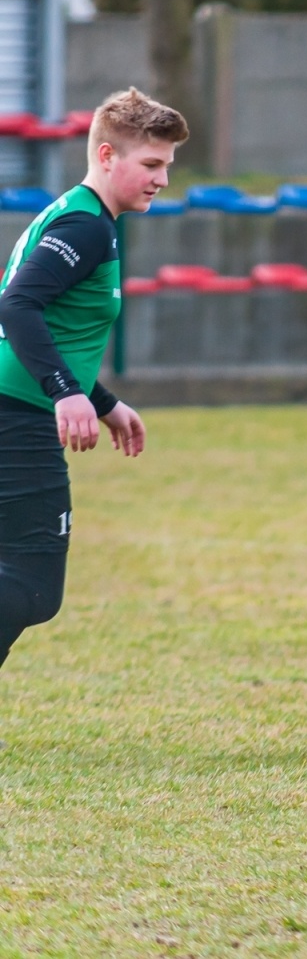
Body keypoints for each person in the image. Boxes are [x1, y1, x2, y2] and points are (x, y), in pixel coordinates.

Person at [0, 87, 183, 679]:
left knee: (19, 580)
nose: (160, 179)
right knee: (31, 584)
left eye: (166, 167)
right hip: (17, 416)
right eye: (150, 164)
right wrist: (65, 392)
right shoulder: (83, 227)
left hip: (16, 405)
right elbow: (19, 306)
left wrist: (100, 399)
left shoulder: (81, 216)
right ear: (107, 156)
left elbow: (47, 319)